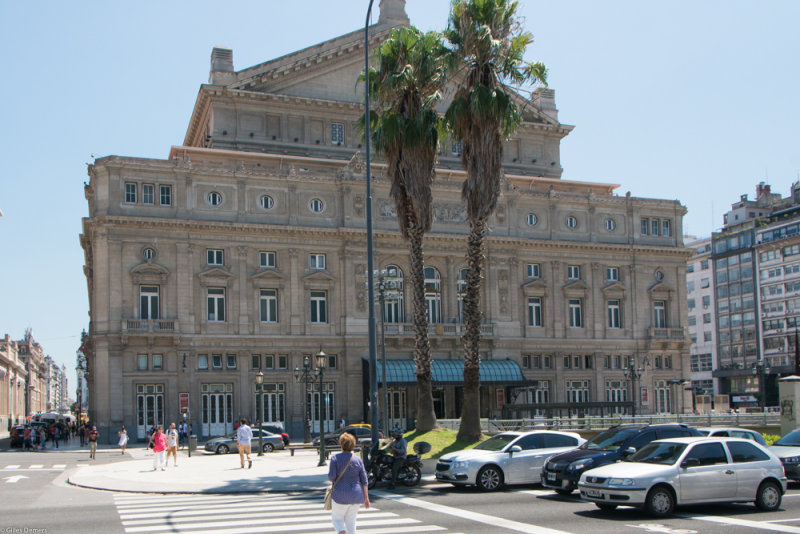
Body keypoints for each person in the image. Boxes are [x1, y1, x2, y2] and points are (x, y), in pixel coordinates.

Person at [328, 432, 369, 534]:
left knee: (337, 519)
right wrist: (366, 498)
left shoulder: (335, 458)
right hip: (356, 495)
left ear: (341, 444)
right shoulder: (358, 460)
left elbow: (331, 477)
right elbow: (364, 480)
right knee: (351, 521)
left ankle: (341, 531)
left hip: (340, 494)